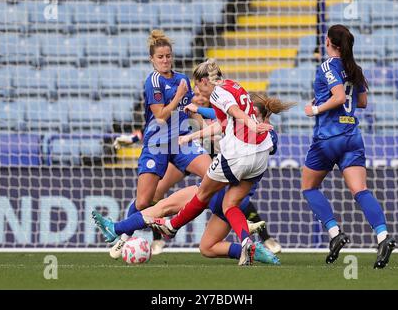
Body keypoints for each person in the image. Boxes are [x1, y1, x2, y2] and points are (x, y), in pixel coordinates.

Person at [149, 59, 288, 266]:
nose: (197, 89)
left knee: (202, 192)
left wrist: (251, 123)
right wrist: (191, 137)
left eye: (198, 84)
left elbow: (235, 113)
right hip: (260, 156)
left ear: (205, 80)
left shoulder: (217, 93)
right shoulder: (234, 85)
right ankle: (246, 242)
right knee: (230, 204)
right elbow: (224, 124)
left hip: (238, 154)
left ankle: (172, 225)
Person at [302, 24, 396, 269]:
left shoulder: (326, 66)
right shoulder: (355, 68)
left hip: (329, 137)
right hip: (352, 137)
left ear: (329, 42)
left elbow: (339, 97)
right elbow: (361, 102)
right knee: (360, 190)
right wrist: (327, 98)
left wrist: (315, 109)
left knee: (309, 187)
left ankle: (334, 233)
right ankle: (383, 236)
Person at [115, 29, 213, 254]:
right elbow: (160, 115)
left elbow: (189, 111)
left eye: (168, 55)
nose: (165, 60)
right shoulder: (153, 81)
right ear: (152, 59)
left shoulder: (182, 79)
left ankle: (173, 218)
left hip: (181, 142)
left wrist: (205, 128)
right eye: (160, 57)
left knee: (213, 175)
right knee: (143, 202)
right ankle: (124, 236)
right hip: (157, 143)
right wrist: (177, 97)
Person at [185, 89, 287, 254]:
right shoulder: (237, 120)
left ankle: (262, 237)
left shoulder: (267, 133)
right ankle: (254, 240)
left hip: (241, 178)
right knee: (217, 205)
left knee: (230, 202)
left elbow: (271, 145)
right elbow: (223, 114)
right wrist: (198, 110)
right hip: (228, 172)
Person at [92, 183, 279, 265]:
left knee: (162, 208)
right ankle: (253, 251)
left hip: (214, 191)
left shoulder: (236, 127)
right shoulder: (262, 137)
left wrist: (191, 135)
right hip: (232, 199)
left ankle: (115, 229)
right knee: (207, 248)